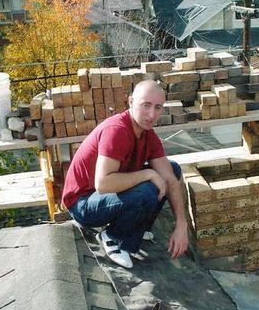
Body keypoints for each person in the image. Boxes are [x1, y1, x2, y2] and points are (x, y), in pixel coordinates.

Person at [61, 80, 189, 268]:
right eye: (146, 105)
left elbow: (170, 178)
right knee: (147, 188)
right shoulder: (117, 131)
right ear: (130, 102)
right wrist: (149, 175)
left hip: (106, 196)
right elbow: (103, 184)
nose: (151, 114)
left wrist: (181, 225)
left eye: (158, 107)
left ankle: (137, 227)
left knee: (172, 169)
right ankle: (114, 237)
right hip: (83, 203)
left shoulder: (148, 135)